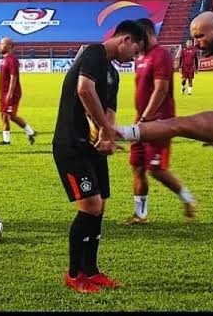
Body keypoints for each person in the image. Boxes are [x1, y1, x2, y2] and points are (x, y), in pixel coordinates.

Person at [115, 12, 213, 288]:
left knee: (180, 125)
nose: (196, 42)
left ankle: (118, 132)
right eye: (194, 36)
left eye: (201, 36)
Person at [52, 20, 144, 293]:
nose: (134, 57)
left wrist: (108, 137)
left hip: (92, 149)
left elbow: (110, 112)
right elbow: (84, 89)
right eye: (136, 51)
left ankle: (91, 271)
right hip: (71, 145)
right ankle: (73, 274)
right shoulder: (93, 53)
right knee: (90, 206)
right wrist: (104, 128)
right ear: (125, 39)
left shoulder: (113, 74)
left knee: (100, 206)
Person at [125, 18, 196, 224]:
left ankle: (188, 199)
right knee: (137, 167)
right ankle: (140, 215)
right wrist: (141, 119)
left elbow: (161, 89)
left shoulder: (161, 55)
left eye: (138, 38)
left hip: (159, 121)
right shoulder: (141, 58)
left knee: (155, 169)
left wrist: (146, 117)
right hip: (141, 120)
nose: (136, 43)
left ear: (147, 33)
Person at [0, 37, 36, 145]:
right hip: (3, 93)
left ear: (9, 45)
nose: (0, 46)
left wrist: (9, 93)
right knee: (3, 115)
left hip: (12, 93)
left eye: (2, 44)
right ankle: (6, 140)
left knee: (11, 116)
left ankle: (30, 131)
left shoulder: (12, 59)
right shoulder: (4, 59)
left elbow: (13, 77)